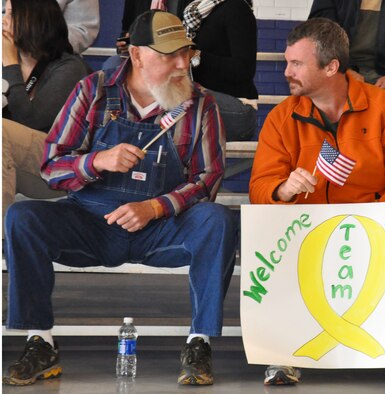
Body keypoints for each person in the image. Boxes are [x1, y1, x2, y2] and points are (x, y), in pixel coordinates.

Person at [2, 10, 237, 387]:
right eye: (169, 55)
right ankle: (39, 341)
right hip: (91, 224)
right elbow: (50, 166)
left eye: (185, 53)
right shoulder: (92, 91)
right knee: (22, 218)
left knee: (219, 220)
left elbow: (207, 180)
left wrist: (155, 207)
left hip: (163, 228)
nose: (181, 64)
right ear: (138, 54)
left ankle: (199, 343)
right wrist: (97, 161)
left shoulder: (199, 105)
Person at [249, 18, 385, 391]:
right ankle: (283, 353)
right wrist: (283, 189)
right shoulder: (283, 117)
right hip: (307, 230)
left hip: (375, 226)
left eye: (296, 64)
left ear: (331, 66)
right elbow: (259, 188)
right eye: (287, 62)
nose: (286, 72)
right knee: (269, 233)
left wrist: (369, 218)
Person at [105, 0, 258, 141]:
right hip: (189, 93)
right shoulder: (192, 10)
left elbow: (243, 70)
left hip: (234, 104)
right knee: (115, 64)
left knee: (158, 92)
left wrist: (193, 55)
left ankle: (127, 136)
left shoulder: (236, 8)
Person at [2, 0, 89, 221]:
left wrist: (11, 64)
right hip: (13, 165)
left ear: (34, 19)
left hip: (54, 170)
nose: (3, 20)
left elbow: (29, 121)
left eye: (11, 14)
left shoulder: (69, 68)